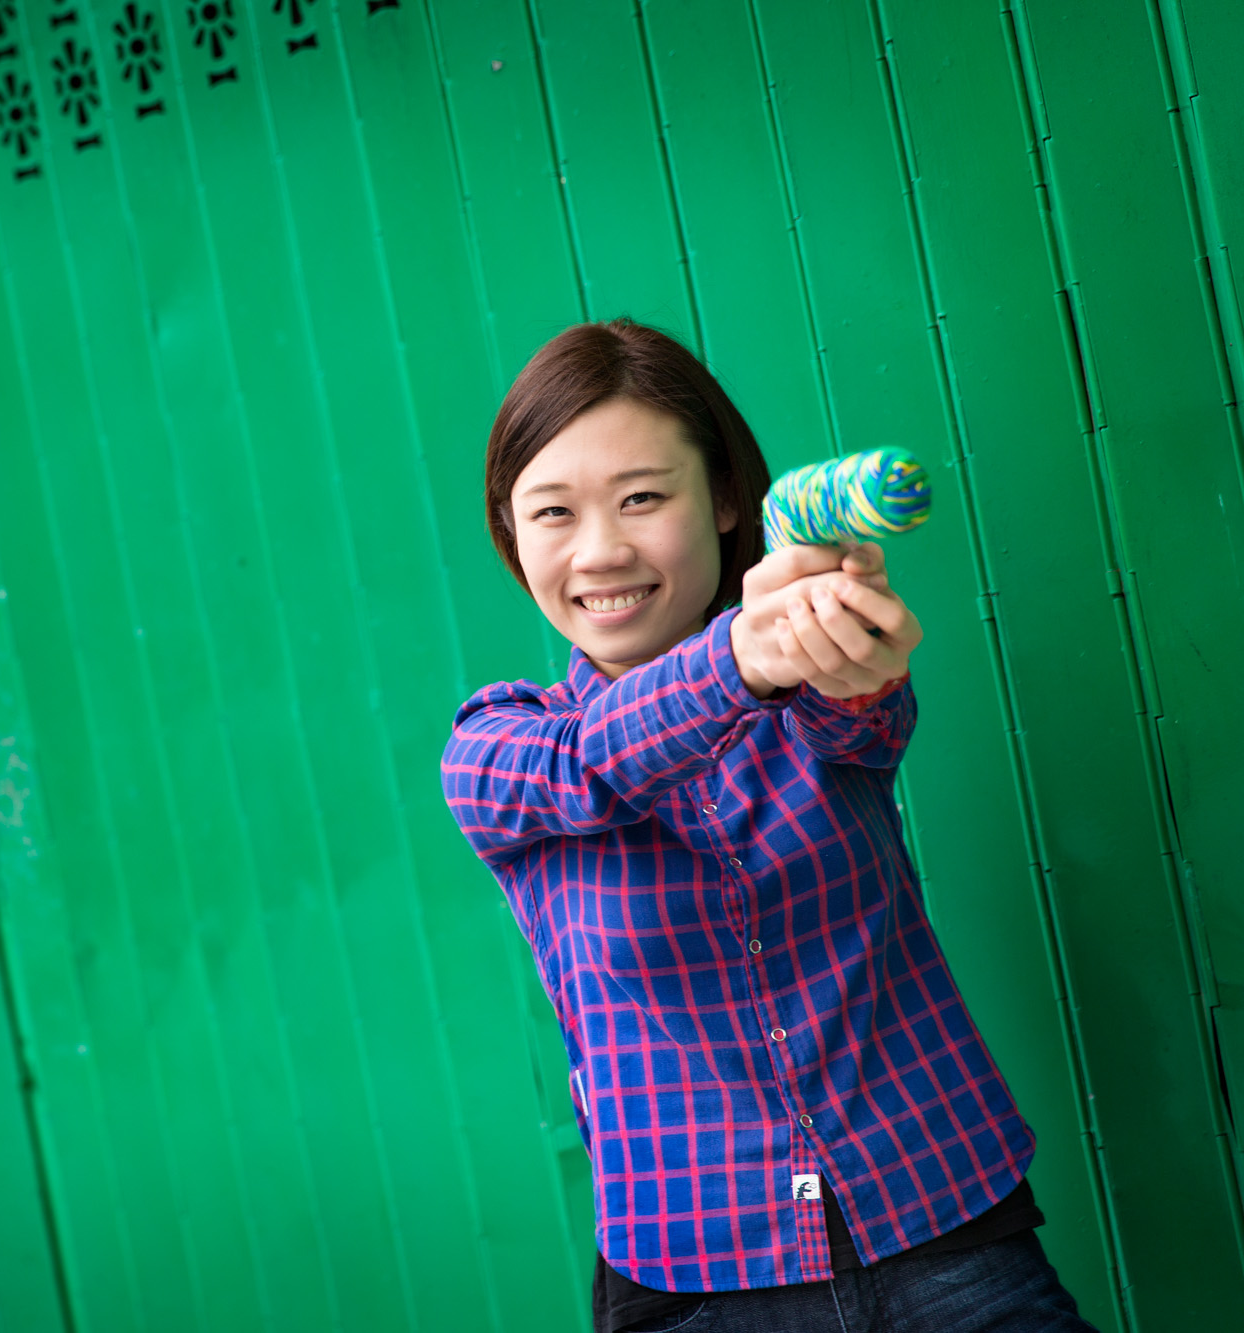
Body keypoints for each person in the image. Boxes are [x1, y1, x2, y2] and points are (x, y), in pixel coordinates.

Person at [441, 320, 1095, 1332]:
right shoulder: (500, 745)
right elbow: (584, 767)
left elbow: (861, 710)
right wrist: (738, 658)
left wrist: (844, 635)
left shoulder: (808, 692)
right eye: (553, 512)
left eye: (642, 497)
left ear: (723, 499)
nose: (600, 550)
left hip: (946, 1227)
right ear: (509, 530)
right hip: (698, 1281)